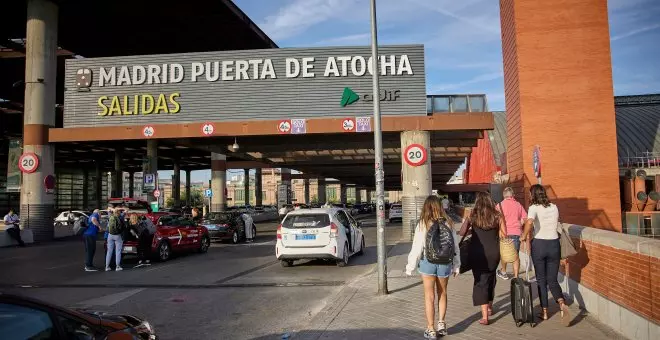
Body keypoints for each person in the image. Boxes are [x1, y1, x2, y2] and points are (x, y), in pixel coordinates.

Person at [405, 195, 460, 338]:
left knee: (429, 296)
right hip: (445, 263)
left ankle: (430, 329)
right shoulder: (449, 222)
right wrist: (457, 265)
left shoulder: (423, 224)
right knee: (442, 293)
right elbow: (455, 246)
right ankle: (441, 324)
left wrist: (410, 267)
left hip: (427, 263)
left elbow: (417, 247)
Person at [521, 184, 570, 325]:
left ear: (533, 194)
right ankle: (561, 303)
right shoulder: (554, 207)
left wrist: (523, 235)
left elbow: (529, 222)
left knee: (541, 280)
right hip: (554, 245)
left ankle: (544, 312)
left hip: (540, 245)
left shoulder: (533, 207)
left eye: (530, 194)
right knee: (553, 279)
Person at [465, 191, 506, 325]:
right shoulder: (497, 215)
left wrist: (472, 228)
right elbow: (504, 234)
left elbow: (461, 232)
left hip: (477, 253)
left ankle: (485, 317)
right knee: (491, 278)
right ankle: (489, 306)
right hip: (494, 252)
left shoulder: (473, 215)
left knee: (481, 281)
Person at [496, 187, 527, 280]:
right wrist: (519, 223)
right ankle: (516, 277)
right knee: (515, 256)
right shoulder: (518, 205)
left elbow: (496, 220)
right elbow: (525, 218)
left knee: (504, 253)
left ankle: (504, 272)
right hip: (516, 233)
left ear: (504, 195)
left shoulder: (499, 205)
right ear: (513, 195)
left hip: (504, 233)